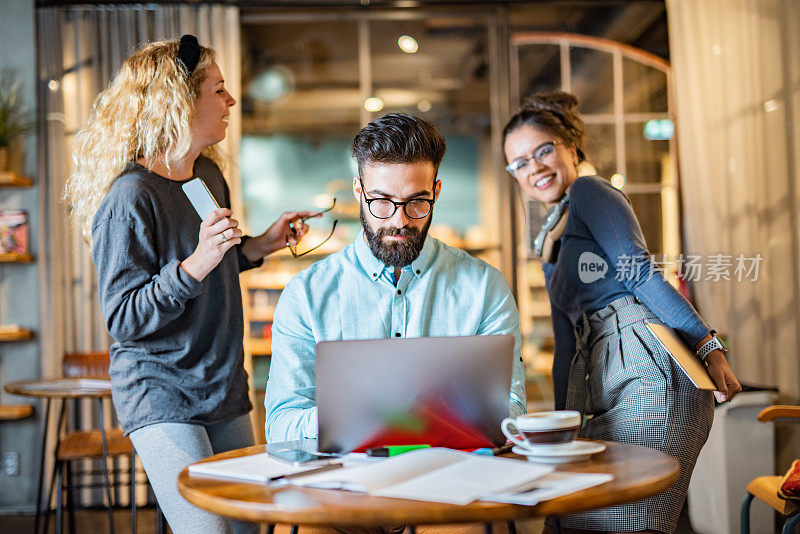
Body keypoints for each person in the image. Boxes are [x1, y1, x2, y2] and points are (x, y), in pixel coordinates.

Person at [66, 35, 319, 534]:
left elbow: (217, 263)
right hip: (161, 392)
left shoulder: (206, 176)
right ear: (179, 101)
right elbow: (124, 319)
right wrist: (195, 263)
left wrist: (259, 245)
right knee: (209, 531)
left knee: (247, 527)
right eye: (219, 90)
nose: (229, 102)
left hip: (222, 385)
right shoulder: (129, 197)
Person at [502, 91, 742, 534]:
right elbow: (564, 347)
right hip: (602, 380)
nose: (532, 166)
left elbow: (641, 275)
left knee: (629, 523)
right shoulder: (549, 240)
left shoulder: (589, 191)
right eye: (518, 162)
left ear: (570, 149)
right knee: (566, 518)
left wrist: (709, 345)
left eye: (543, 150)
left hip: (650, 368)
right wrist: (563, 428)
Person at [265, 112, 526, 443]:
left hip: (452, 478)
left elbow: (512, 411)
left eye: (417, 202)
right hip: (345, 486)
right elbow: (280, 427)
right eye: (382, 202)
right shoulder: (306, 295)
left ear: (436, 191)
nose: (400, 221)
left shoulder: (485, 288)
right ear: (359, 191)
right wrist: (360, 415)